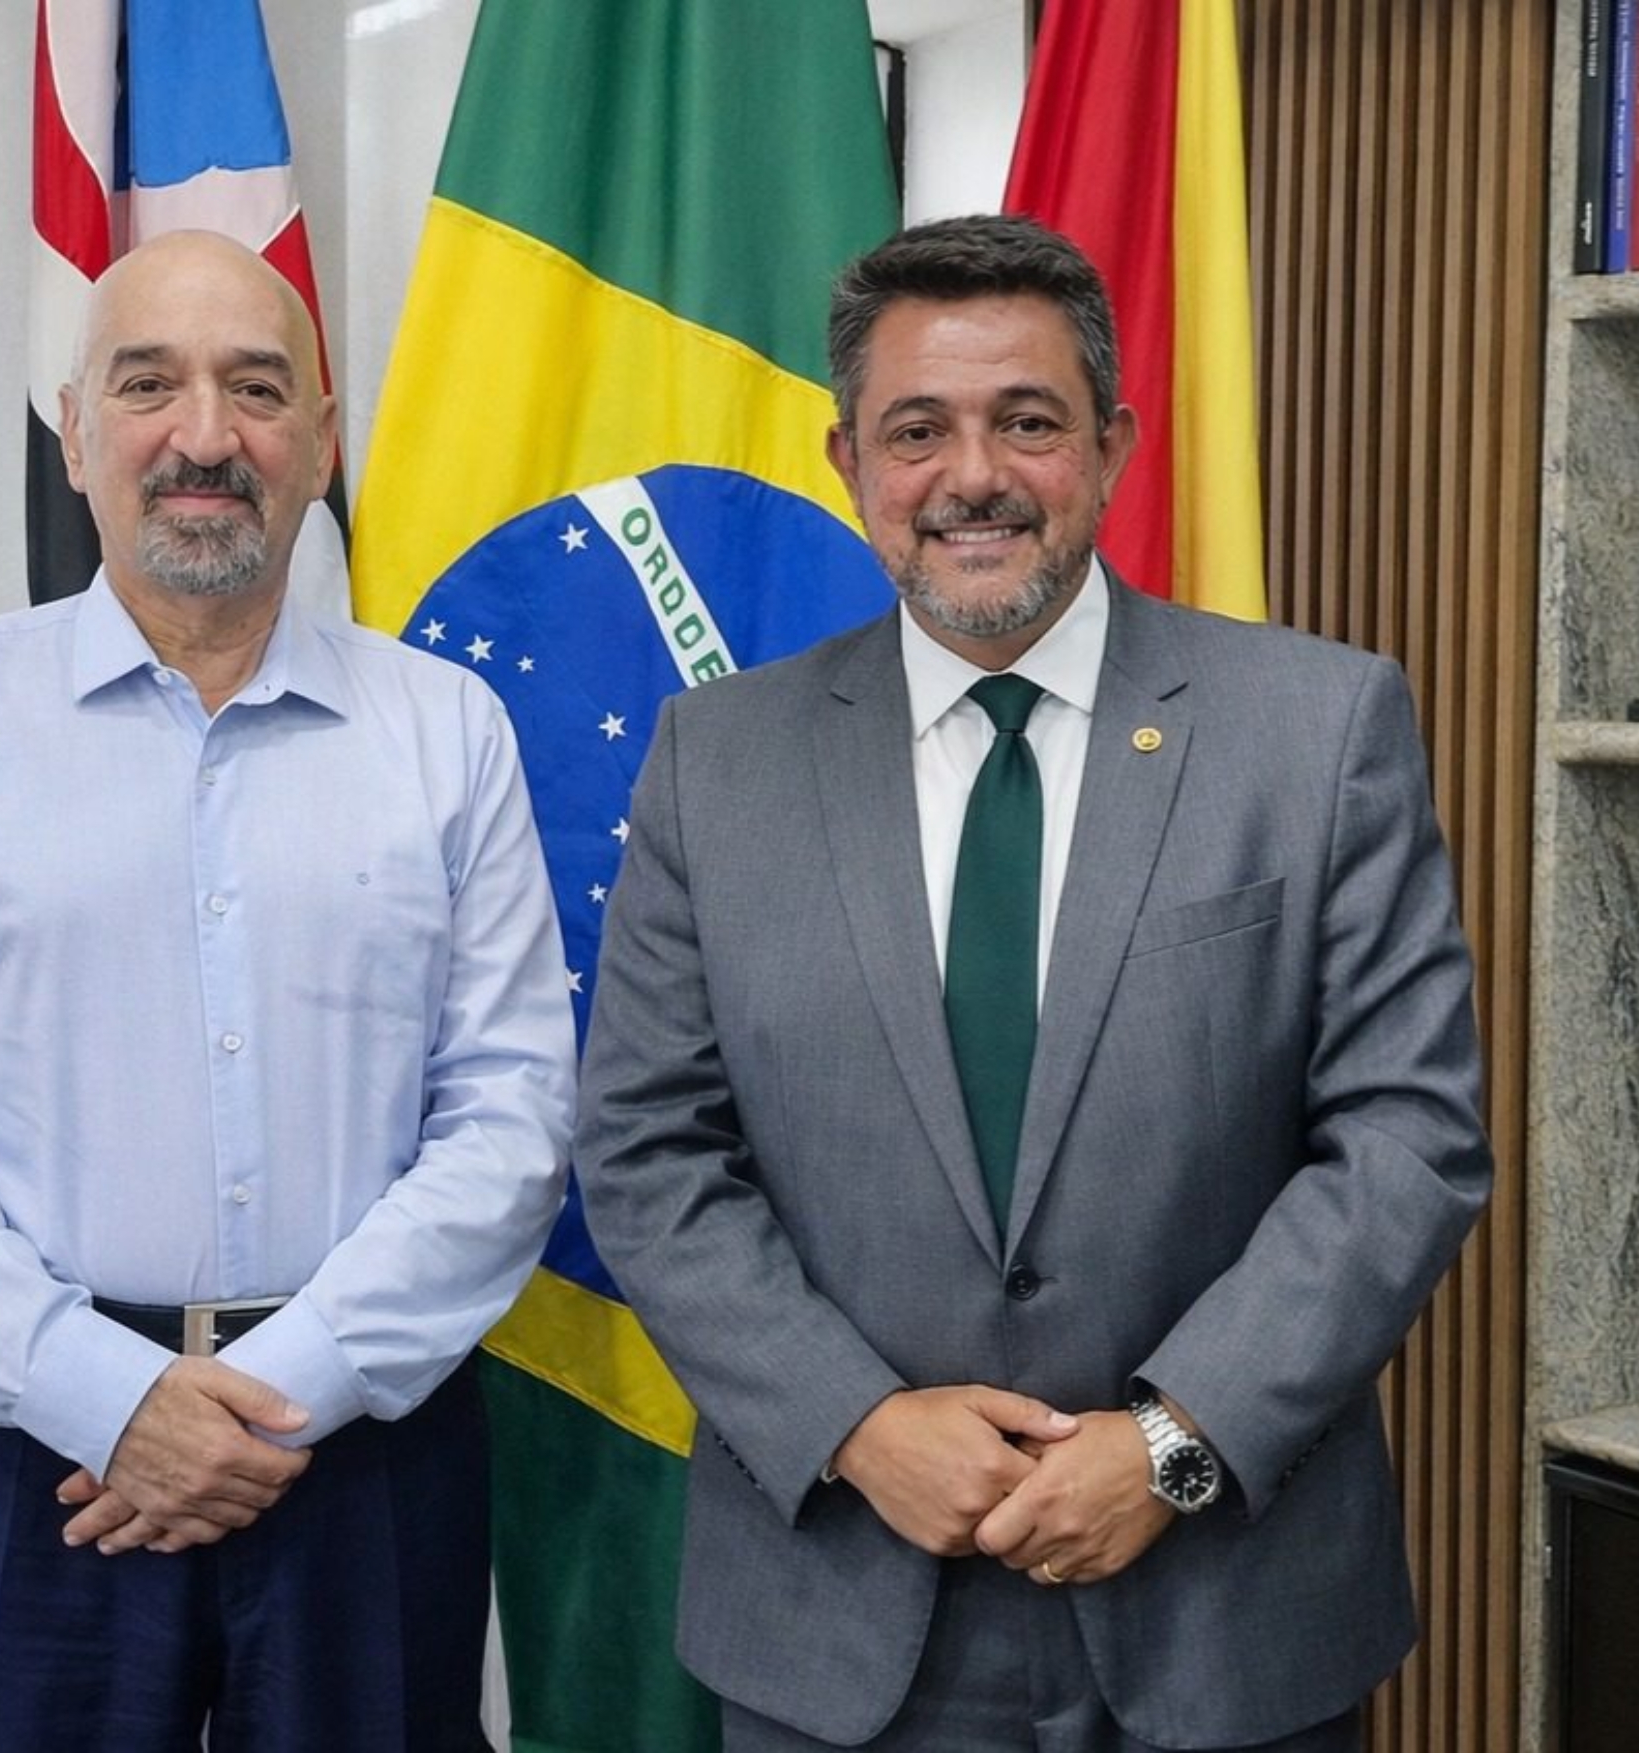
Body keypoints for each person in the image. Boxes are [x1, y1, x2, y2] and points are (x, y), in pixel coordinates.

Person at [573, 213, 1493, 1753]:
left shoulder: (1316, 727)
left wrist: (1176, 1442)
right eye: (916, 429)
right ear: (845, 462)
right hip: (839, 1610)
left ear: (1113, 446)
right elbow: (647, 1151)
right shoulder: (712, 763)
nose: (973, 476)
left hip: (1222, 1609)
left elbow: (1406, 1136)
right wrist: (856, 1425)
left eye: (1027, 421)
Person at [0, 229, 576, 1752]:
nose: (204, 436)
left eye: (256, 388)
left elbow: (510, 1121)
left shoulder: (445, 731)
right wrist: (113, 1398)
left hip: (362, 1446)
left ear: (322, 442)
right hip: (32, 1456)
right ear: (74, 429)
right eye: (148, 384)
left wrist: (268, 1394)